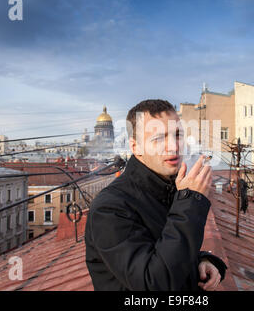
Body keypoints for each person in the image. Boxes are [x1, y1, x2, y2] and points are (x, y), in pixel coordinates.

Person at [85, 99, 227, 291]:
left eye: (177, 135)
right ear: (136, 148)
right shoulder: (110, 208)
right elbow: (152, 283)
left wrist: (202, 261)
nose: (174, 146)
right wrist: (190, 204)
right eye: (159, 138)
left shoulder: (170, 187)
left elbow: (165, 248)